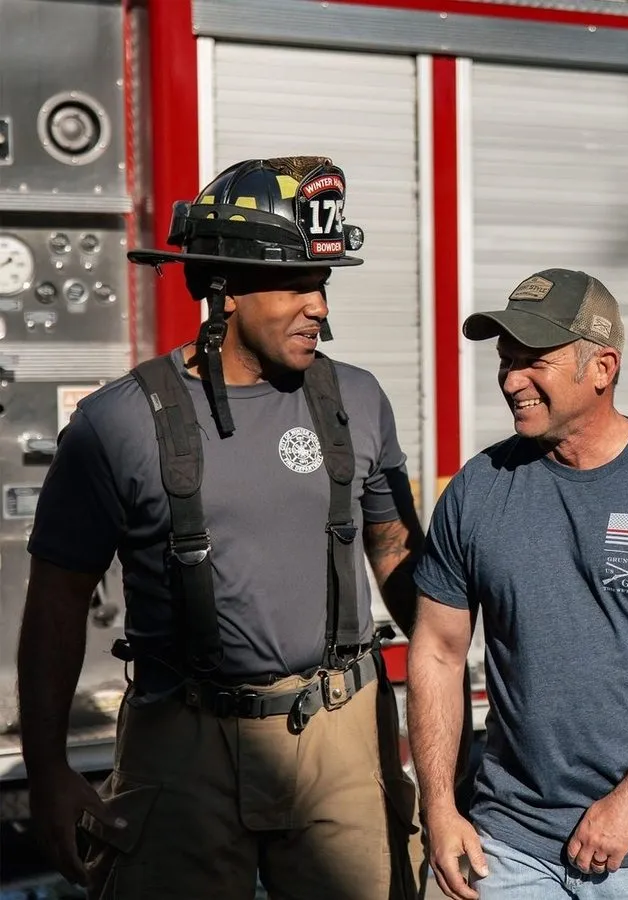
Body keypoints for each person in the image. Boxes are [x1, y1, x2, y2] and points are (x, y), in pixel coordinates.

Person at [17, 156, 425, 900]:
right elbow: (55, 603)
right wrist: (47, 770)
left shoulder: (358, 401)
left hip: (342, 736)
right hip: (181, 741)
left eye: (323, 285)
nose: (319, 308)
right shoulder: (116, 425)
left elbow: (396, 553)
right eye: (297, 285)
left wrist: (443, 717)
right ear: (224, 289)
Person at [408, 268, 628, 900]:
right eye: (506, 361)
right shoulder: (479, 489)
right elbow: (438, 650)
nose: (511, 380)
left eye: (533, 362)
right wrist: (439, 807)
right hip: (511, 847)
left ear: (601, 368)